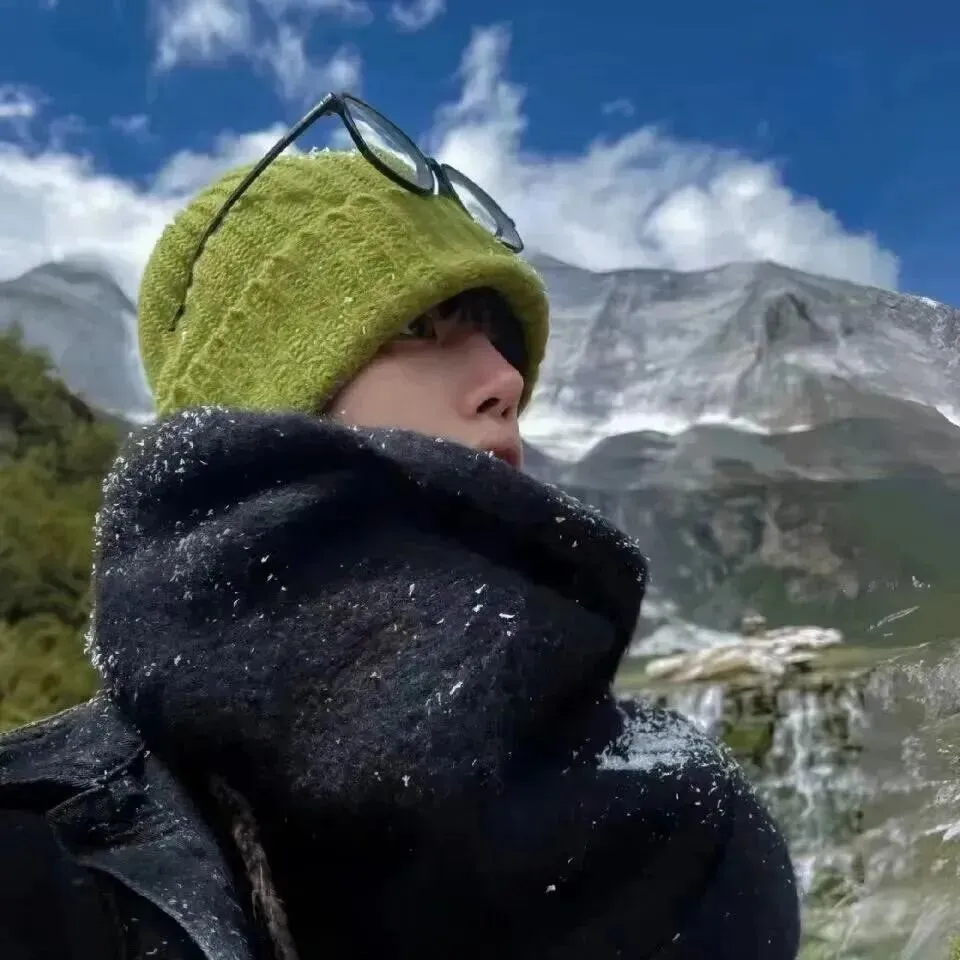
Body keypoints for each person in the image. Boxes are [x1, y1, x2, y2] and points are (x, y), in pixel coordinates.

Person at [0, 93, 801, 960]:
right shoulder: (45, 862)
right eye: (422, 326)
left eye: (500, 340)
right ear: (268, 404)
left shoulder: (694, 834)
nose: (507, 378)